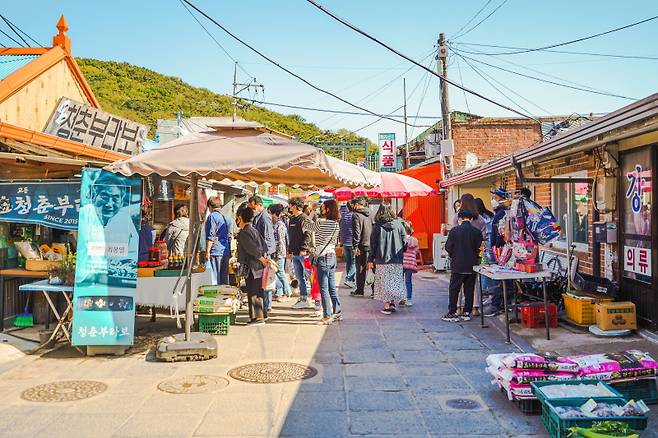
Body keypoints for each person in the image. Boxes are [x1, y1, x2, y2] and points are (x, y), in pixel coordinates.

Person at [304, 200, 341, 324]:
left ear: (328, 209)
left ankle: (327, 315)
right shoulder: (336, 224)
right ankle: (337, 311)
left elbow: (305, 225)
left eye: (323, 208)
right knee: (331, 287)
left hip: (323, 258)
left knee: (323, 288)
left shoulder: (321, 223)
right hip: (332, 256)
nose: (321, 209)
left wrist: (312, 211)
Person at [443, 210, 483, 322]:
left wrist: (453, 255)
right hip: (472, 265)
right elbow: (481, 249)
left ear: (459, 219)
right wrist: (477, 259)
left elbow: (448, 247)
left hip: (457, 264)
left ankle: (452, 312)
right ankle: (466, 312)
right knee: (469, 289)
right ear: (471, 219)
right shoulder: (477, 232)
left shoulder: (454, 231)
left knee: (454, 289)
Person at [369, 203, 407, 314]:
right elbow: (405, 242)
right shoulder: (399, 225)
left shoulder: (376, 227)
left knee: (383, 283)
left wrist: (370, 259)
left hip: (381, 259)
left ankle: (387, 306)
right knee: (394, 280)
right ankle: (393, 302)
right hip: (397, 259)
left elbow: (373, 245)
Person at [236, 206, 269, 325]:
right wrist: (262, 259)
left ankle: (258, 318)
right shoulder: (253, 230)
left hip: (253, 267)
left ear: (240, 218)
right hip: (258, 266)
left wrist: (260, 258)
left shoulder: (245, 232)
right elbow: (264, 246)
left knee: (253, 292)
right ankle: (261, 316)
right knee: (258, 291)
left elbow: (252, 249)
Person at [483, 188, 511, 317]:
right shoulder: (499, 213)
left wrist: (494, 246)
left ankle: (497, 304)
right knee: (501, 277)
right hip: (499, 249)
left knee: (499, 277)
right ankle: (503, 302)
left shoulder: (503, 213)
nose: (493, 200)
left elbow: (500, 234)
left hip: (502, 250)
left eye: (495, 197)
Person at [248, 195, 276, 312]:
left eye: (252, 206)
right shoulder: (258, 217)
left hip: (264, 254)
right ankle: (265, 306)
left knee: (265, 282)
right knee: (263, 282)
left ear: (258, 205)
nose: (251, 208)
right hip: (260, 254)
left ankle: (266, 306)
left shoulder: (264, 218)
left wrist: (265, 256)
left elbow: (268, 238)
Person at [288, 199, 315, 310]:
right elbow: (291, 236)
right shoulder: (292, 219)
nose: (289, 207)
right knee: (299, 277)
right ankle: (303, 298)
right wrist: (289, 250)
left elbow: (308, 234)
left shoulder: (304, 218)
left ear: (295, 206)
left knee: (310, 276)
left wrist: (304, 248)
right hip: (295, 253)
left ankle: (317, 299)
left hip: (304, 253)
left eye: (290, 205)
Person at [205, 196, 233, 285]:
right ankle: (226, 297)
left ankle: (218, 297)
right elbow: (230, 235)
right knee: (224, 277)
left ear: (210, 206)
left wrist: (207, 251)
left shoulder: (212, 216)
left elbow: (211, 236)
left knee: (215, 278)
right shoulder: (227, 217)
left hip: (216, 250)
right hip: (225, 250)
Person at [350, 197, 373, 297]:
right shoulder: (371, 213)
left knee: (360, 268)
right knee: (372, 268)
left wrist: (355, 246)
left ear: (357, 204)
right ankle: (375, 291)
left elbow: (357, 232)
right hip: (371, 245)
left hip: (361, 246)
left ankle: (360, 290)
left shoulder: (356, 215)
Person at [269, 203, 292, 301]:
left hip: (279, 253)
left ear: (274, 213)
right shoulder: (274, 223)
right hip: (276, 252)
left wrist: (279, 253)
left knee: (280, 272)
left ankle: (287, 292)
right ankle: (280, 292)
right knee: (276, 272)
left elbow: (281, 241)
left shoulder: (280, 225)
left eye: (270, 212)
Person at [402, 221, 419, 307]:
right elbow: (416, 251)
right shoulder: (415, 240)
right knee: (408, 281)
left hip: (402, 262)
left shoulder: (402, 239)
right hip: (411, 263)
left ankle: (401, 297)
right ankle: (409, 299)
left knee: (400, 281)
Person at [339, 202, 356, 289]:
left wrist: (341, 242)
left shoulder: (343, 217)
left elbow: (340, 229)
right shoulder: (355, 216)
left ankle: (351, 280)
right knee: (354, 262)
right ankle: (349, 279)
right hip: (353, 243)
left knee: (349, 262)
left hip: (345, 242)